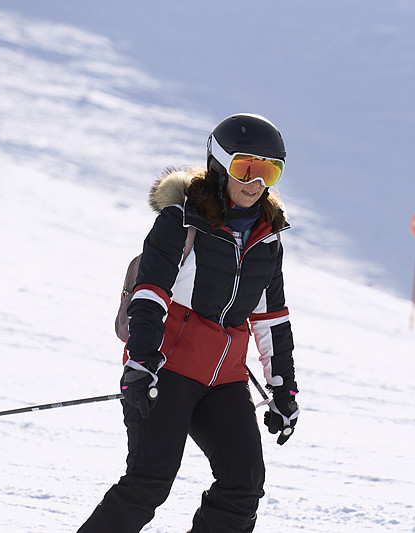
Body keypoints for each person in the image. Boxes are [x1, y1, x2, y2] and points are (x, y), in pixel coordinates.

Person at [78, 113, 300, 533]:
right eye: (245, 167)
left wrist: (282, 388)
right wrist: (141, 360)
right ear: (219, 164)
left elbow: (272, 318)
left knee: (243, 485)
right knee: (148, 482)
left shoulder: (267, 238)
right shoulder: (181, 222)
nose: (255, 182)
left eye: (269, 171)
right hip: (169, 369)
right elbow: (150, 294)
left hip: (225, 379)